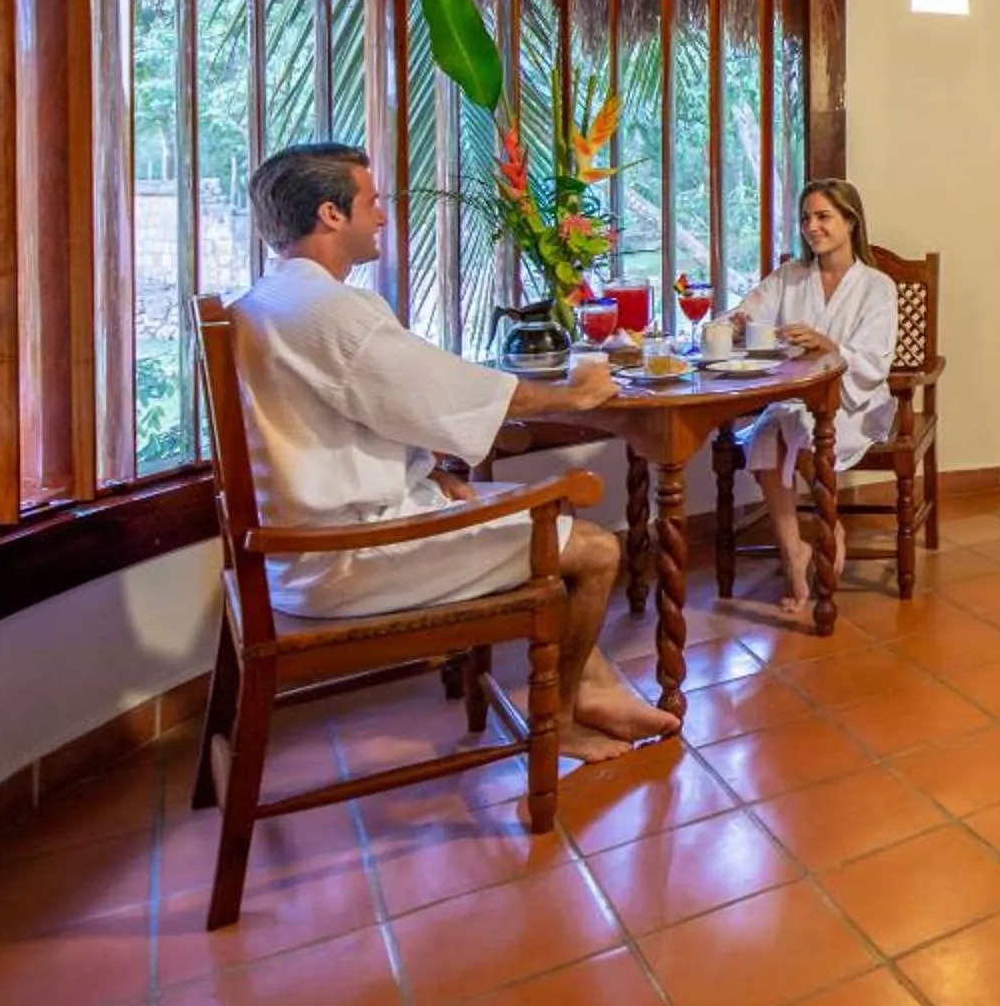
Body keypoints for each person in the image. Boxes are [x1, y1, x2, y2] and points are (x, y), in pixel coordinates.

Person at [231, 142, 674, 762]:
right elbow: (439, 386)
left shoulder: (267, 301)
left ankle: (596, 686)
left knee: (535, 518)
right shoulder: (327, 311)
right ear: (331, 214)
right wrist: (574, 400)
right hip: (343, 556)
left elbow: (367, 410)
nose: (382, 216)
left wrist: (432, 469)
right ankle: (564, 717)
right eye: (372, 202)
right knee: (597, 550)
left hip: (304, 541)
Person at [731, 179, 899, 620]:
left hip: (853, 404)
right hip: (793, 399)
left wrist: (826, 343)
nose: (812, 226)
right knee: (767, 434)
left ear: (850, 221)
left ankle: (831, 527)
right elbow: (746, 313)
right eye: (806, 217)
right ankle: (794, 554)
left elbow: (874, 361)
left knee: (796, 428)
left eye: (823, 216)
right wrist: (734, 325)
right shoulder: (790, 277)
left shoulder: (877, 287)